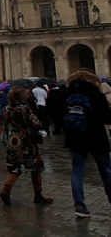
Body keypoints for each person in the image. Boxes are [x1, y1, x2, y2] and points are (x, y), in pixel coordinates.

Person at [63, 70, 111, 218]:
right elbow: (107, 119)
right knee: (106, 170)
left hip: (75, 138)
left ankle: (79, 204)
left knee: (77, 171)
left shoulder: (67, 95)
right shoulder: (96, 95)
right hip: (96, 137)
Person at [0, 85, 52, 206]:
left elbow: (5, 124)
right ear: (21, 95)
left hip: (13, 141)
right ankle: (38, 195)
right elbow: (35, 123)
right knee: (36, 166)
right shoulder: (24, 108)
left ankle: (5, 191)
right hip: (26, 141)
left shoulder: (7, 109)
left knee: (15, 167)